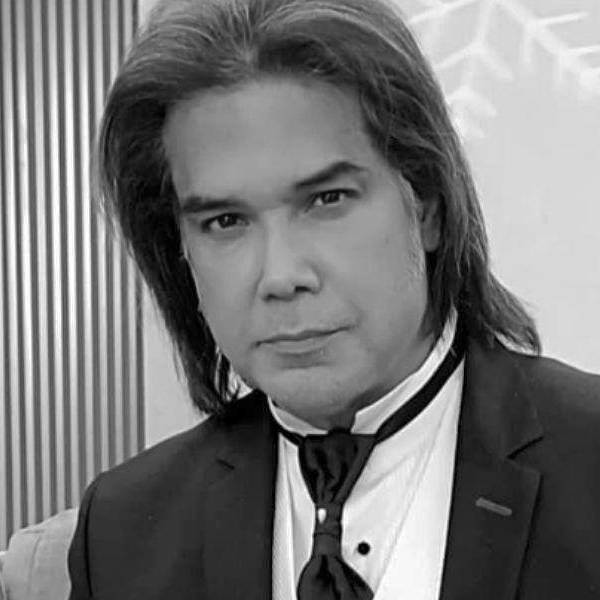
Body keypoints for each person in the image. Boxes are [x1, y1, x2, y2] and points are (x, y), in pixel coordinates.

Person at [68, 0, 600, 598]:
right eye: (224, 221)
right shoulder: (121, 532)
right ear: (180, 250)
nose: (281, 276)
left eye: (327, 200)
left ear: (426, 205)